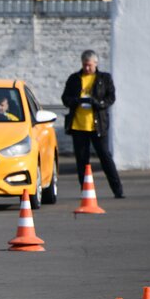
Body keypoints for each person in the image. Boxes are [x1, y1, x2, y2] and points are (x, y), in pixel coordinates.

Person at [61, 49, 124, 198]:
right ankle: (86, 192)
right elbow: (65, 98)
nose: (87, 68)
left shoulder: (104, 78)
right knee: (82, 161)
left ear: (96, 63)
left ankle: (118, 190)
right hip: (78, 126)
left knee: (105, 157)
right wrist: (75, 101)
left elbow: (111, 98)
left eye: (89, 65)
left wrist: (98, 103)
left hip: (98, 126)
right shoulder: (74, 78)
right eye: (84, 65)